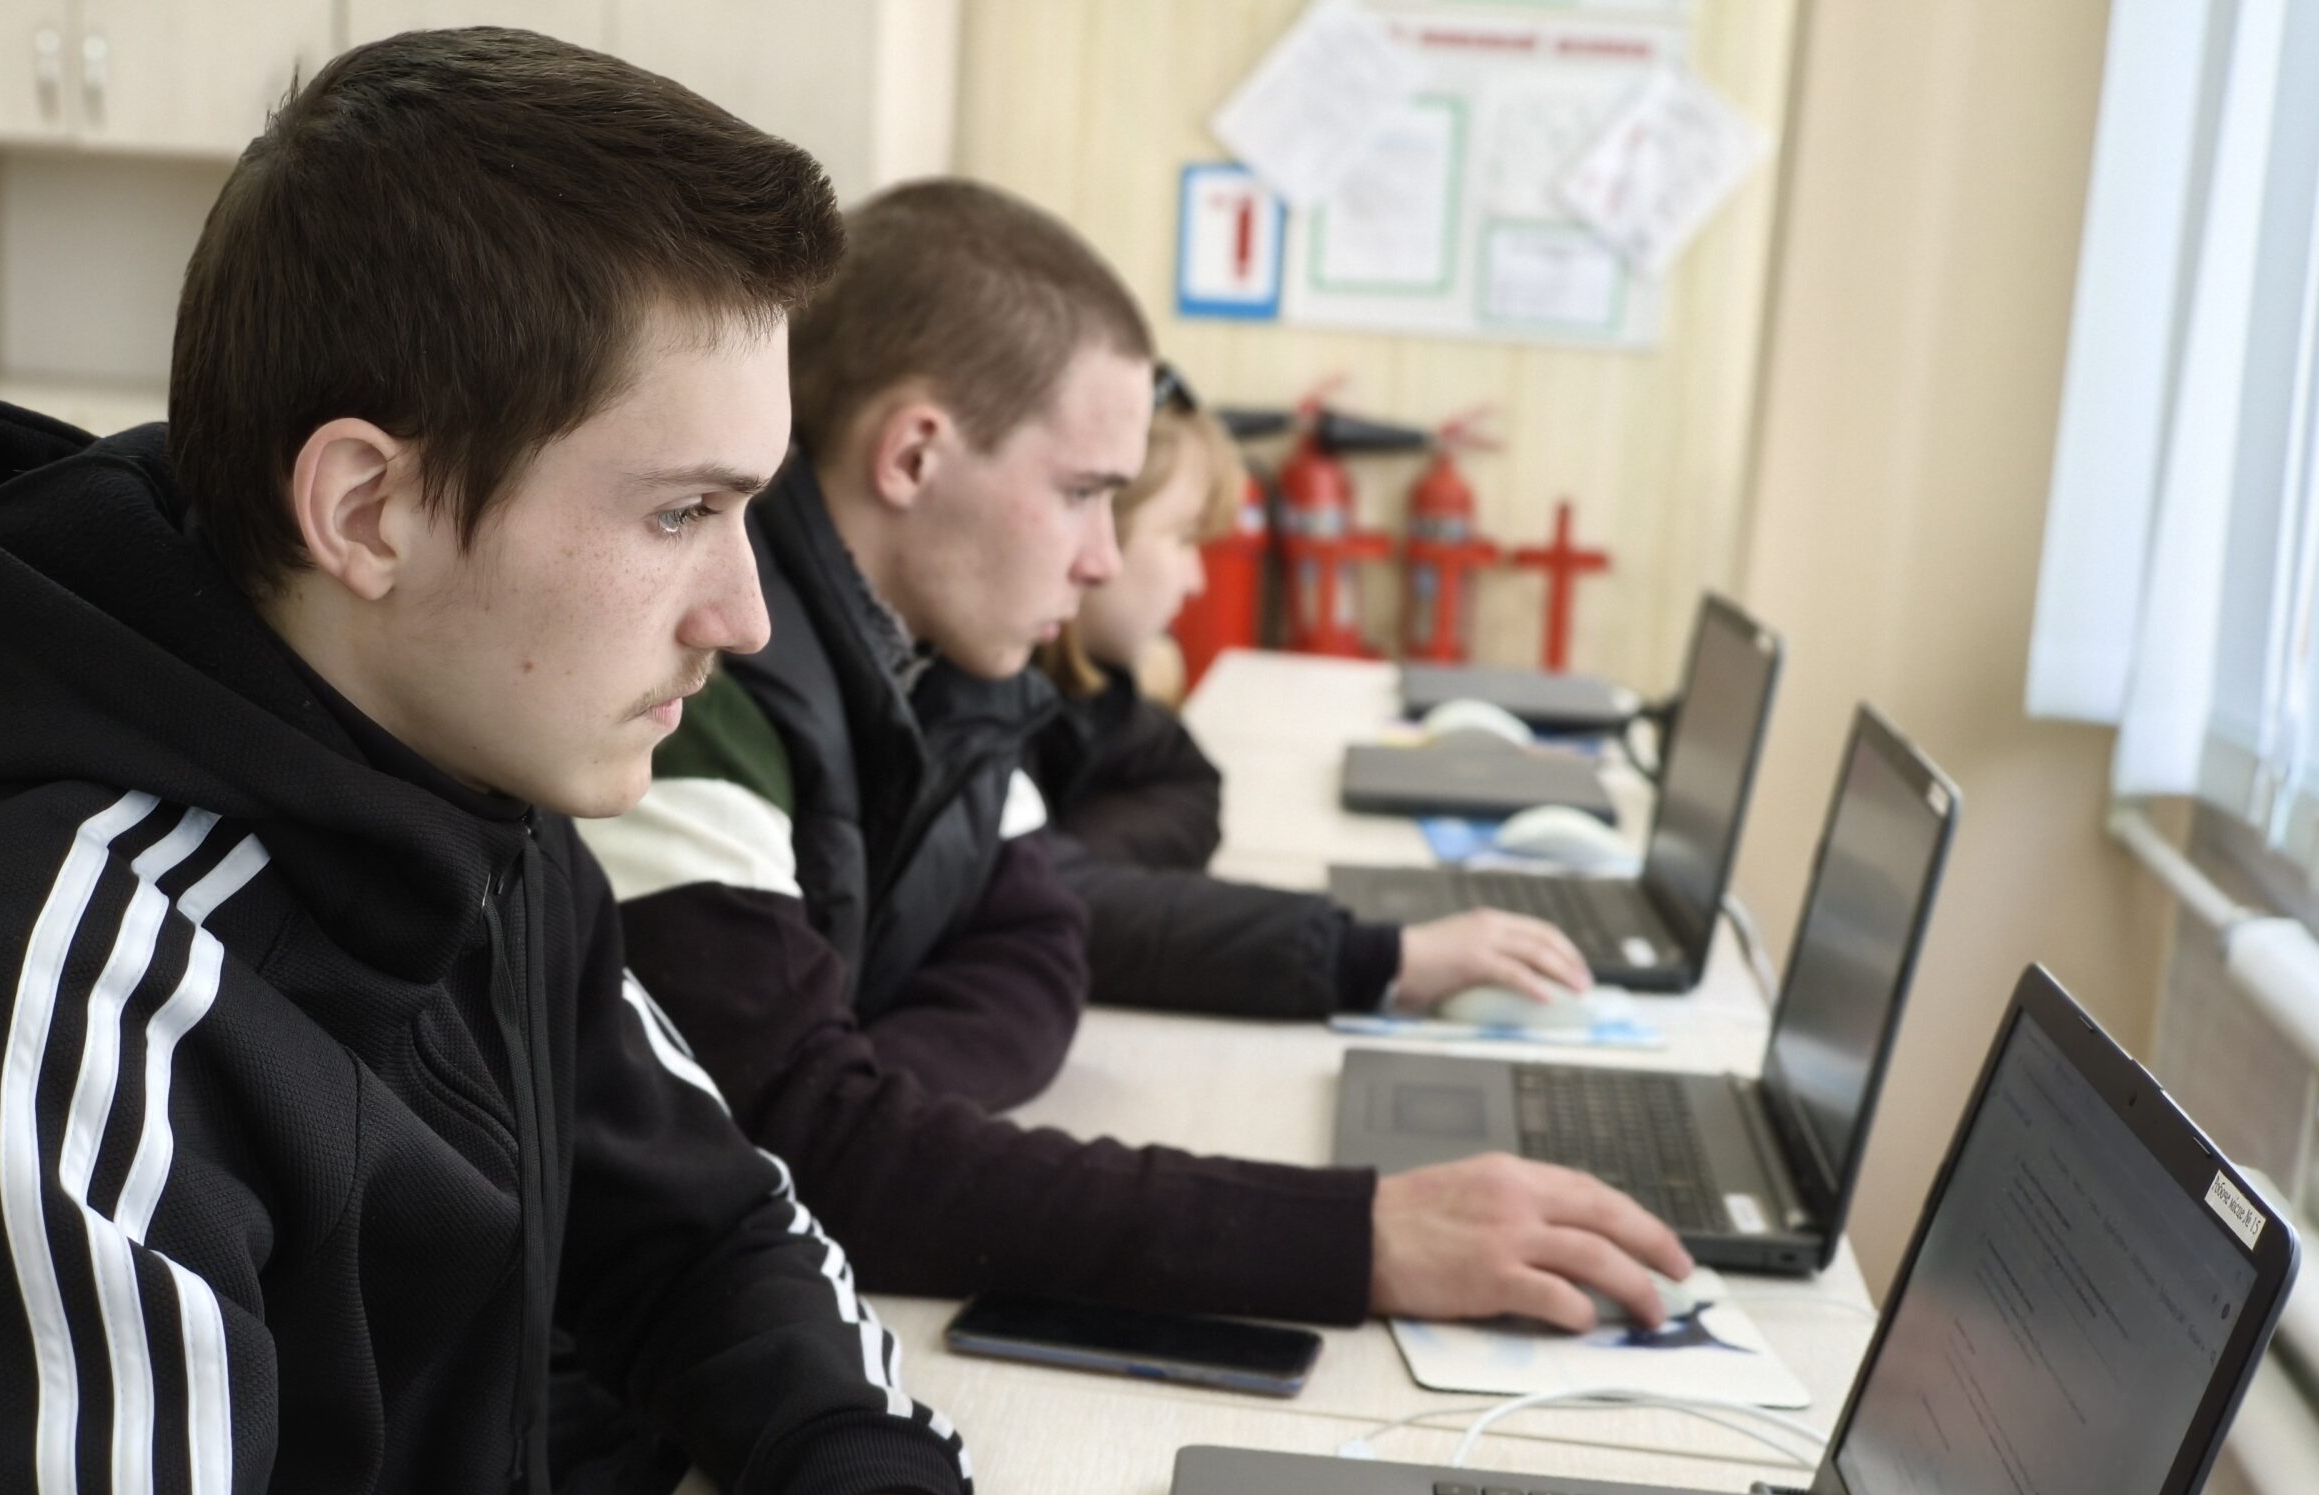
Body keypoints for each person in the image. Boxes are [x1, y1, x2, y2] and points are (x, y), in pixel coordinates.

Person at [0, 29, 1466, 1495]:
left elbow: (706, 1216)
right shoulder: (70, 989)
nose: (749, 612)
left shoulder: (471, 785)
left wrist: (854, 1466)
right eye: (681, 511)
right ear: (367, 511)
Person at [584, 178, 1694, 1335]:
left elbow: (1038, 941)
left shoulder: (948, 669)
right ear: (912, 456)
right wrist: (1355, 1239)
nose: (1104, 560)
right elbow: (803, 1156)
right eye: (1082, 493)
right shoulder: (698, 691)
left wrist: (873, 1104)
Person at [1026, 363, 1590, 1020]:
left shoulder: (1087, 697)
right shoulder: (981, 701)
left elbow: (1182, 784)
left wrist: (1072, 864)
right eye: (1182, 539)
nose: (1196, 580)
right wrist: (1381, 959)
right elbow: (1048, 904)